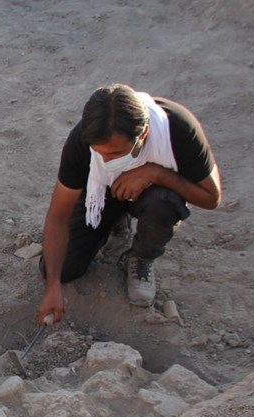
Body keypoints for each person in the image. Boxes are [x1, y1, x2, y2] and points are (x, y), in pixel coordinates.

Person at [38, 83, 221, 320]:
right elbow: (58, 214)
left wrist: (156, 173)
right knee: (62, 269)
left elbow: (211, 198)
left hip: (152, 195)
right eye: (99, 152)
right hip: (102, 194)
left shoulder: (177, 129)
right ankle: (115, 222)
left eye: (114, 154)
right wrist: (53, 286)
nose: (105, 159)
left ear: (143, 134)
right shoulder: (82, 140)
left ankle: (142, 257)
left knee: (164, 202)